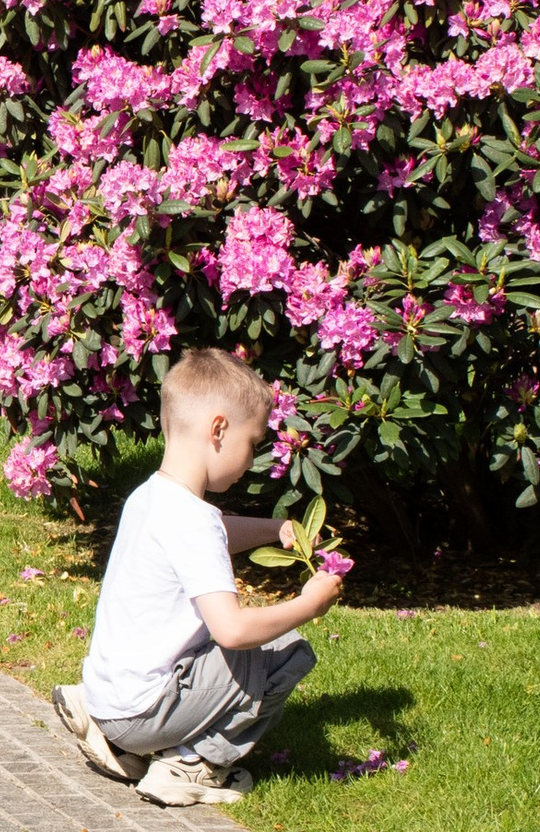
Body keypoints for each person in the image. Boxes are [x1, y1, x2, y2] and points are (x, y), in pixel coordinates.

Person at [52, 346, 342, 807]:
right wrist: (309, 604)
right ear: (219, 429)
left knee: (230, 651)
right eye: (252, 443)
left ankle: (123, 747)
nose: (251, 458)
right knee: (281, 655)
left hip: (110, 698)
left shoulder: (149, 498)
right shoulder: (193, 521)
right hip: (144, 711)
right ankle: (192, 765)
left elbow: (215, 531)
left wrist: (275, 529)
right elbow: (232, 630)